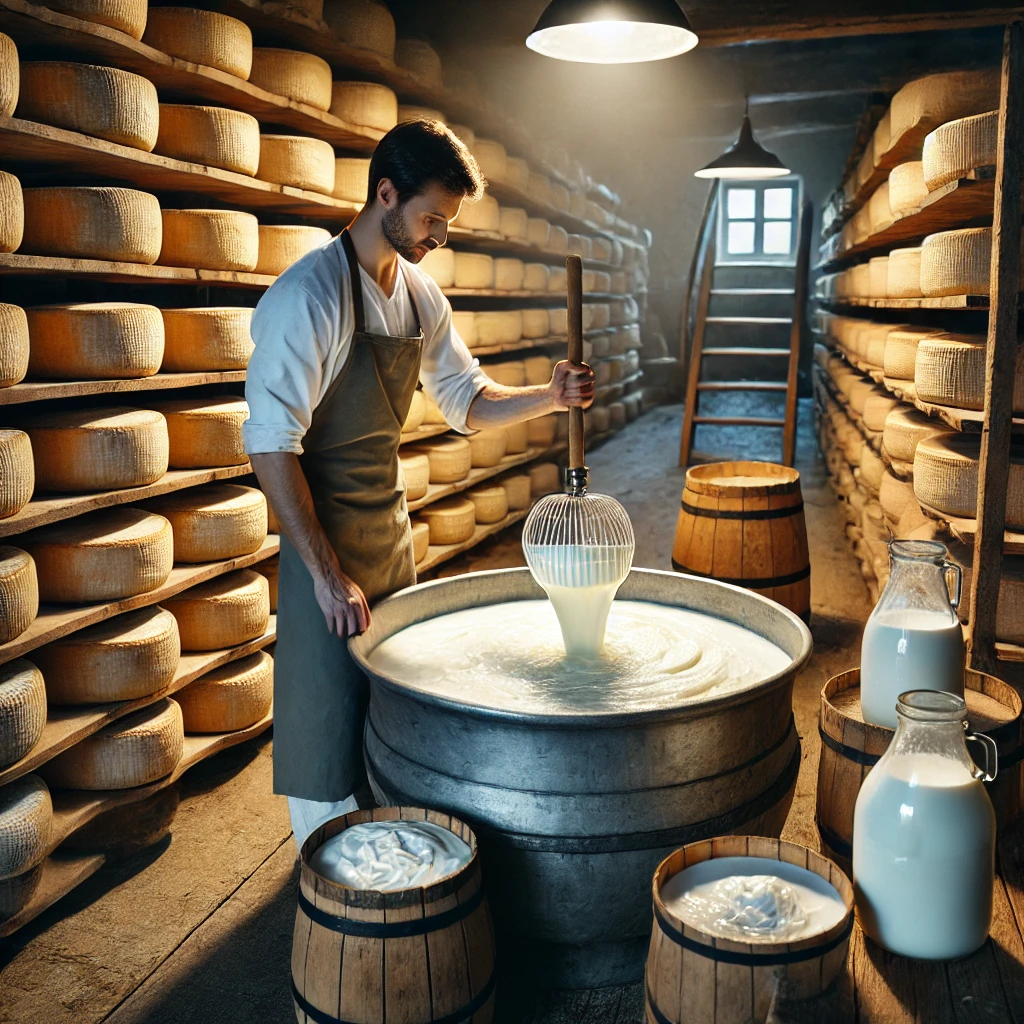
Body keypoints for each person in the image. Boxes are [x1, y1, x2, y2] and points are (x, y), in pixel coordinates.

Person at [243, 120, 595, 851]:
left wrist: (549, 397)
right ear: (386, 194)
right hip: (324, 546)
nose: (440, 235)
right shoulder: (310, 297)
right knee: (323, 730)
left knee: (390, 716)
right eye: (432, 218)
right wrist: (324, 574)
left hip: (389, 534)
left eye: (447, 223)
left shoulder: (419, 296)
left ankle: (390, 870)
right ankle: (334, 888)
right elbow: (271, 446)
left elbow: (466, 401)